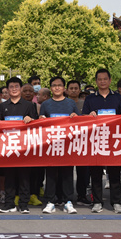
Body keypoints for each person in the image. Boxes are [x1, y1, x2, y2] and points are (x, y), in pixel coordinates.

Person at [82, 68, 121, 213]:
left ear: (110, 80)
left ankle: (116, 202)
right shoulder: (90, 99)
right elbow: (83, 118)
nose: (102, 82)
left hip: (114, 140)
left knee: (114, 173)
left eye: (105, 79)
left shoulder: (117, 97)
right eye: (99, 79)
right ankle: (97, 202)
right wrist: (89, 115)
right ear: (96, 81)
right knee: (96, 173)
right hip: (96, 139)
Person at [0, 77, 38, 214]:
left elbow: (37, 125)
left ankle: (24, 204)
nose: (14, 89)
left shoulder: (29, 105)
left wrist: (31, 119)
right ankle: (9, 204)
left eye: (16, 86)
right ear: (7, 90)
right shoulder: (2, 106)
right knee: (9, 177)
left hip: (24, 147)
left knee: (24, 177)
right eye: (11, 87)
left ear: (20, 88)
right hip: (9, 147)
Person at [39, 76, 79, 214]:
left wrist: (75, 117)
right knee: (51, 173)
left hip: (67, 144)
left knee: (67, 173)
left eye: (60, 85)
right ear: (51, 88)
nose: (57, 88)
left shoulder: (71, 103)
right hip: (51, 143)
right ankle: (50, 202)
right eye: (54, 85)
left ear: (64, 88)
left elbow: (80, 122)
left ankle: (68, 202)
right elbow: (41, 123)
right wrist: (41, 119)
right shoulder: (46, 104)